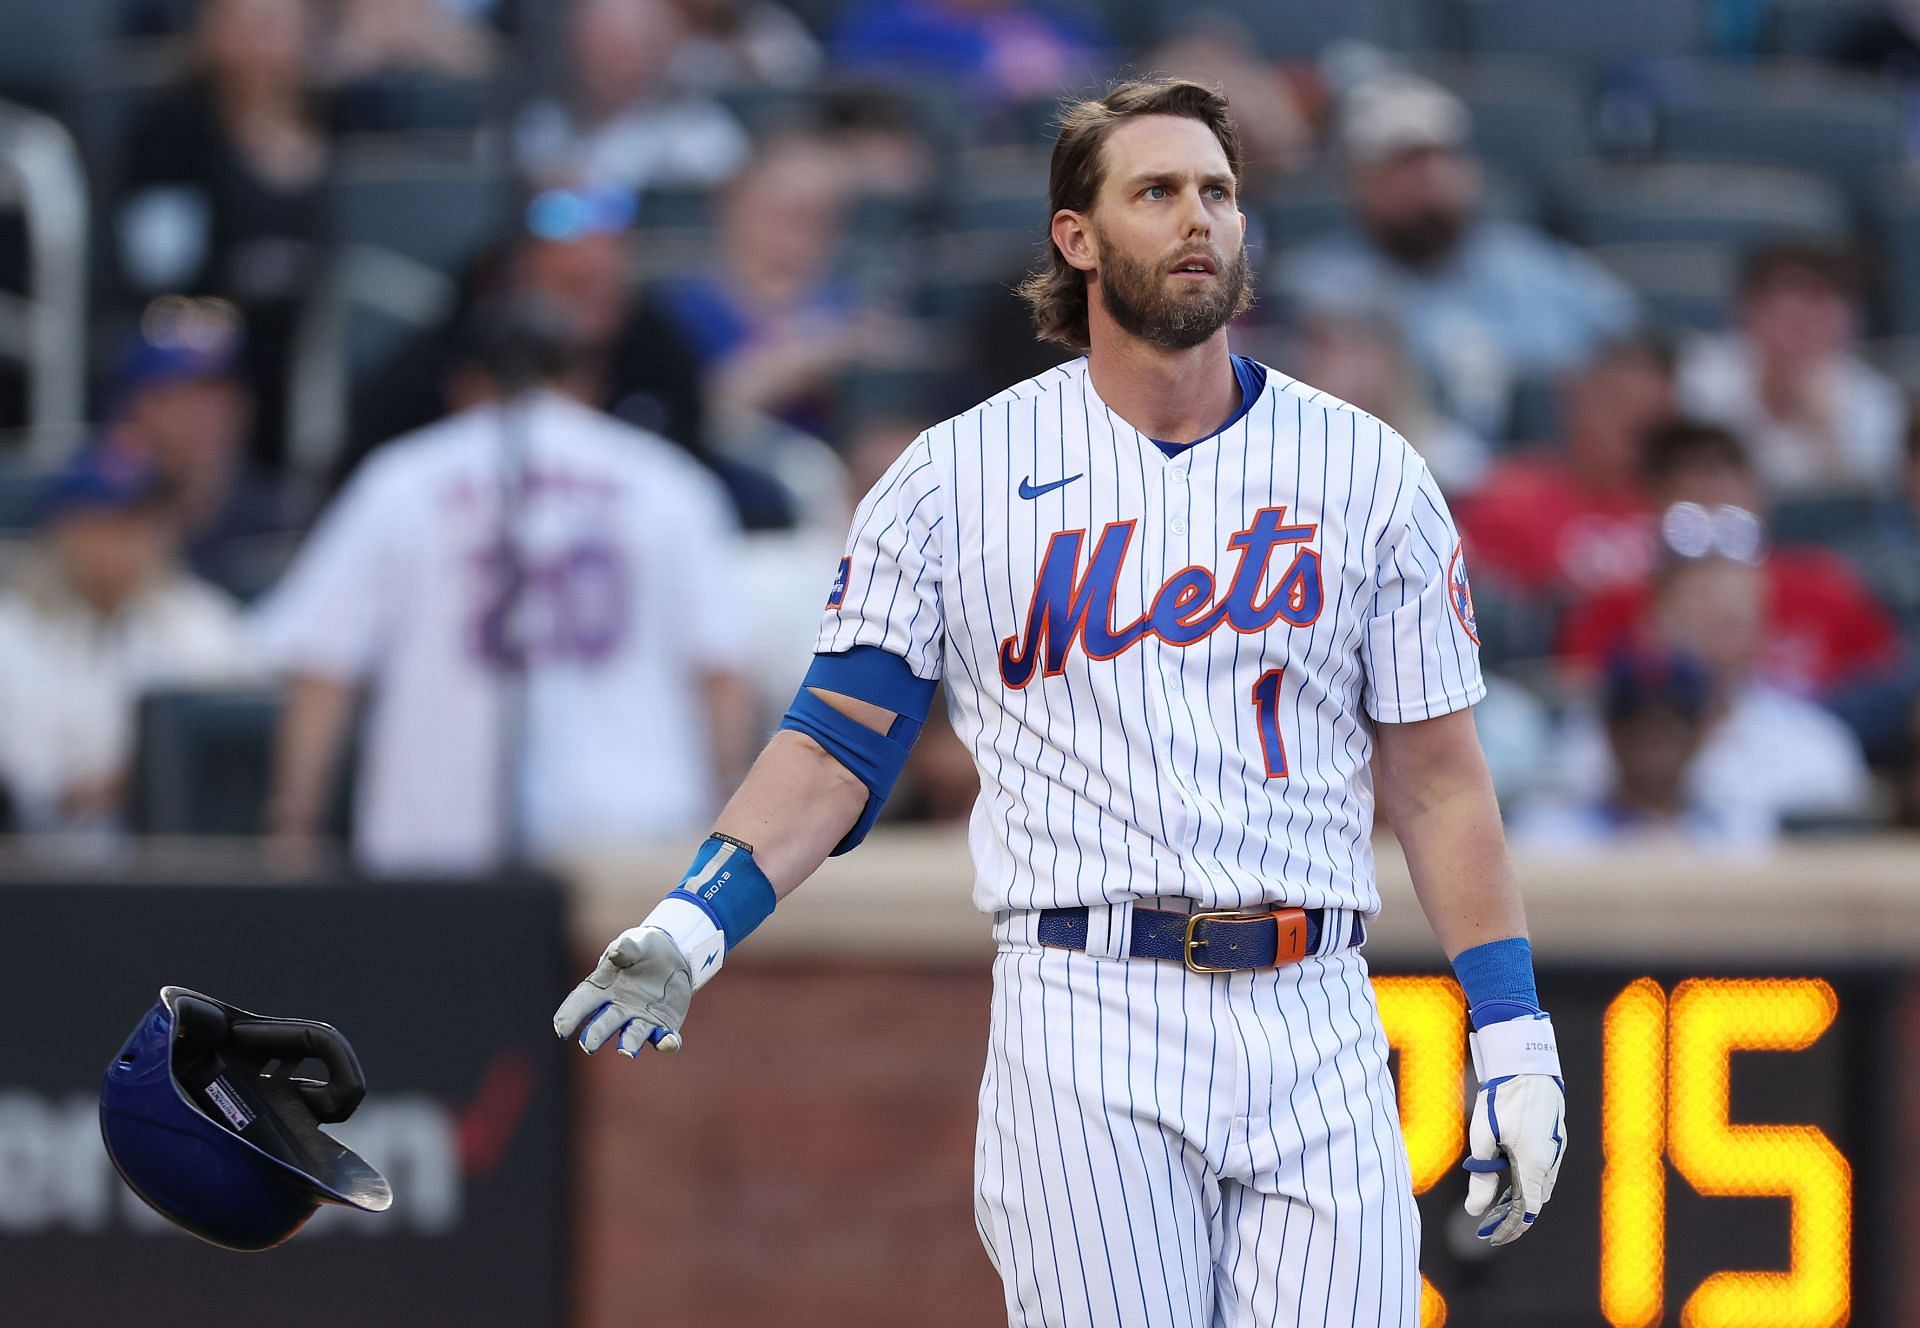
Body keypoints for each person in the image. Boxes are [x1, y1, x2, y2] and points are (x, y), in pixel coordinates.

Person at [555, 79, 1567, 1324]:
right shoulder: (953, 477)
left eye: (1218, 191)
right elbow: (838, 745)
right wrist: (699, 918)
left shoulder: (1368, 470)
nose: (1198, 218)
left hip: (1321, 1003)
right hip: (1090, 1003)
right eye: (1156, 191)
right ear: (1075, 236)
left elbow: (1440, 774)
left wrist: (1513, 1025)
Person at [254, 301, 757, 876]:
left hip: (438, 841)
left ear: (467, 384)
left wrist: (292, 833)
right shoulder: (668, 481)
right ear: (588, 382)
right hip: (636, 841)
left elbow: (323, 668)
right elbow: (722, 673)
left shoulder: (402, 477)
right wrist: (727, 839)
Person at [1277, 73, 1637, 440]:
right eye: (1405, 163)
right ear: (1360, 182)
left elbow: (1637, 344)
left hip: (1549, 475)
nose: (1430, 179)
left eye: (1443, 158)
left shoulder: (1535, 265)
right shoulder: (1323, 281)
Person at [1546, 515, 1874, 837]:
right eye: (1696, 618)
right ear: (1652, 626)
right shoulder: (1592, 740)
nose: (1712, 641)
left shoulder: (1815, 746)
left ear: (1761, 631)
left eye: (1729, 621)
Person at [117, 0, 333, 470]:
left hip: (312, 337)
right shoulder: (172, 129)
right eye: (247, 25)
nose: (262, 44)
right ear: (210, 32)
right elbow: (158, 274)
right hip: (212, 336)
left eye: (277, 26)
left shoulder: (340, 119)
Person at [0, 449, 255, 840]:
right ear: (64, 532)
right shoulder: (12, 627)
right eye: (107, 525)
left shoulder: (200, 619)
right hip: (33, 871)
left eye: (140, 523)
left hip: (173, 870)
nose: (126, 544)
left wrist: (153, 775)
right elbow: (30, 787)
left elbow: (238, 749)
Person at [1558, 424, 1903, 698]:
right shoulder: (1619, 603)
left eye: (1724, 492)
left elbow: (1886, 675)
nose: (1712, 512)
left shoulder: (1821, 585)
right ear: (1656, 505)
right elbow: (1583, 695)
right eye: (1692, 496)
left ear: (1758, 497)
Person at [103, 297, 310, 601]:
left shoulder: (284, 521)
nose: (203, 418)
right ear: (131, 411)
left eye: (218, 398)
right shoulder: (91, 516)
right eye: (177, 399)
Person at [1675, 240, 1906, 495]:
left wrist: (1826, 435)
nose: (1805, 338)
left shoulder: (1874, 400)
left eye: (1820, 320)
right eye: (1793, 320)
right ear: (1748, 314)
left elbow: (1867, 516)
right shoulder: (1697, 377)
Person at [1455, 336, 1674, 605]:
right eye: (1618, 404)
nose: (1633, 426)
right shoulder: (1507, 502)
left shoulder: (1680, 508)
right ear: (1575, 399)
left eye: (1652, 416)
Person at [1511, 651, 1766, 852]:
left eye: (1671, 727)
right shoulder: (1551, 834)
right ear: (1610, 730)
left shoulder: (1741, 835)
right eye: (1636, 724)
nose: (1653, 739)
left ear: (1700, 733)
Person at [512, 0, 751, 196]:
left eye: (632, 46)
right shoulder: (547, 127)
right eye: (604, 45)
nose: (620, 63)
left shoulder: (702, 131)